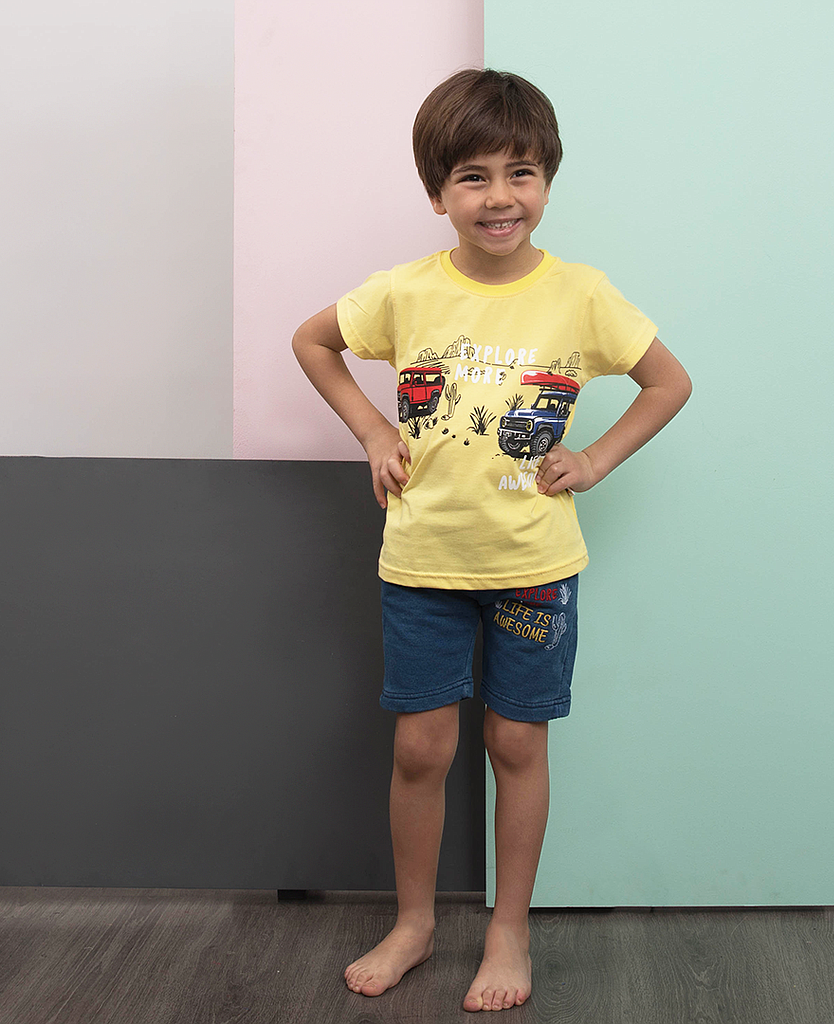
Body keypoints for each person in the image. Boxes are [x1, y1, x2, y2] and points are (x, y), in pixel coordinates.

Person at [292, 68, 691, 1013]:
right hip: (422, 564)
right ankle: (416, 924)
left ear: (546, 181)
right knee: (422, 750)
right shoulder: (404, 292)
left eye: (521, 173)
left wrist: (592, 460)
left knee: (517, 742)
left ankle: (510, 930)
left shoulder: (581, 295)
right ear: (438, 193)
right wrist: (373, 432)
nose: (500, 196)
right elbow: (314, 342)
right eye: (472, 176)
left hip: (534, 567)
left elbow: (668, 382)